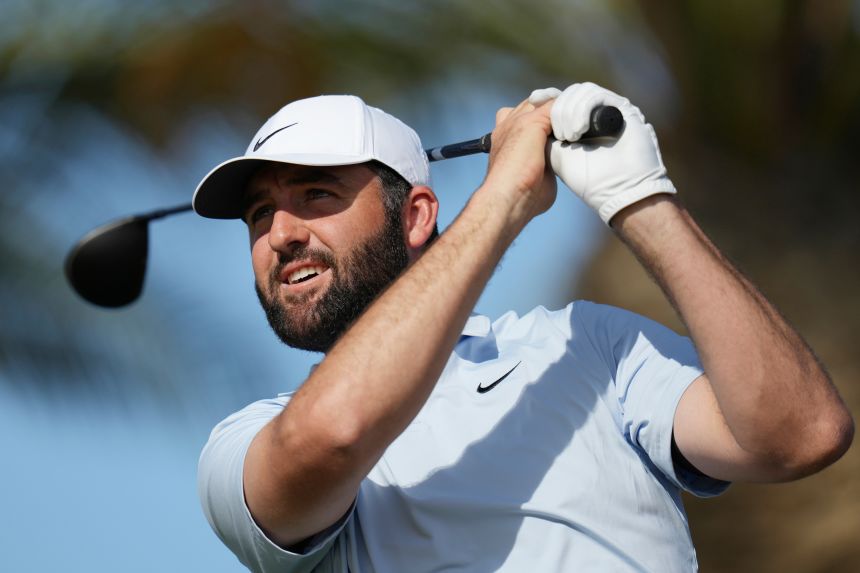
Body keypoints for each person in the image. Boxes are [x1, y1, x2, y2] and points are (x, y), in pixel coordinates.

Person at [193, 83, 853, 572]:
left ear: (416, 216)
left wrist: (640, 198)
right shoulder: (246, 444)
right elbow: (334, 432)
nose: (280, 234)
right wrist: (504, 195)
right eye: (259, 214)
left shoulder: (588, 345)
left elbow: (801, 435)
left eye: (316, 194)